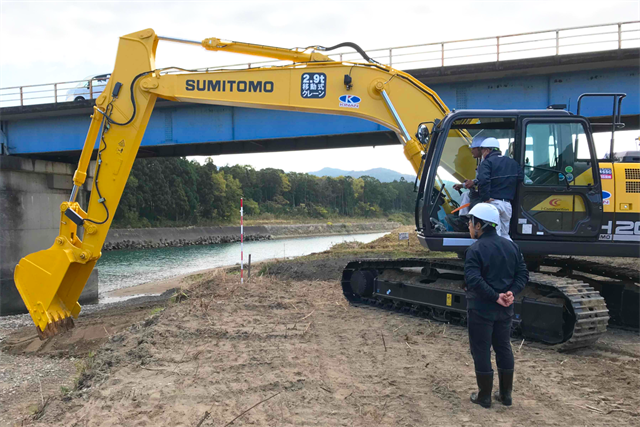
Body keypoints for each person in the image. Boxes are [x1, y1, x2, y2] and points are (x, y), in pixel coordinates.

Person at [464, 203, 529, 408]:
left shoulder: (475, 249)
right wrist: (511, 293)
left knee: (481, 350)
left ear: (480, 225)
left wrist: (494, 296)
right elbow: (522, 274)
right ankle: (506, 395)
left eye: (471, 222)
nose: (469, 226)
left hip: (481, 309)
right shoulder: (512, 246)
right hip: (505, 310)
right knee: (503, 348)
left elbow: (473, 279)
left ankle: (484, 396)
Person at [475, 137, 524, 240]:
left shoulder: (487, 163)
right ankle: (512, 254)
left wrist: (485, 197)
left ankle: (495, 255)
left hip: (493, 204)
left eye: (482, 151)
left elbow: (483, 180)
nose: (482, 154)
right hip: (507, 204)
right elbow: (520, 177)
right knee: (505, 234)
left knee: (494, 235)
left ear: (488, 150)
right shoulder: (512, 162)